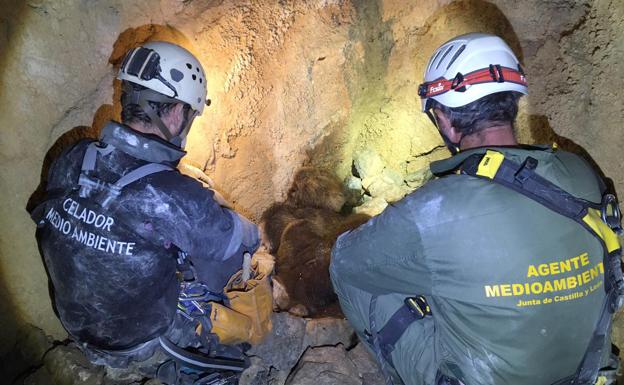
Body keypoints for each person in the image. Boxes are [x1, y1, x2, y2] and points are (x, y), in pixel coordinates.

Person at [330, 33, 623, 385]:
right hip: (588, 374)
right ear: (512, 104)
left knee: (354, 271)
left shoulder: (435, 211)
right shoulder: (580, 172)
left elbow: (347, 261)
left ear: (445, 120)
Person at [30, 42, 260, 384]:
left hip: (76, 322)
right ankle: (196, 364)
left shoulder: (73, 156)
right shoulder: (170, 194)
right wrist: (215, 211)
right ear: (175, 113)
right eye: (190, 115)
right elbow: (241, 239)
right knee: (235, 267)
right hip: (138, 342)